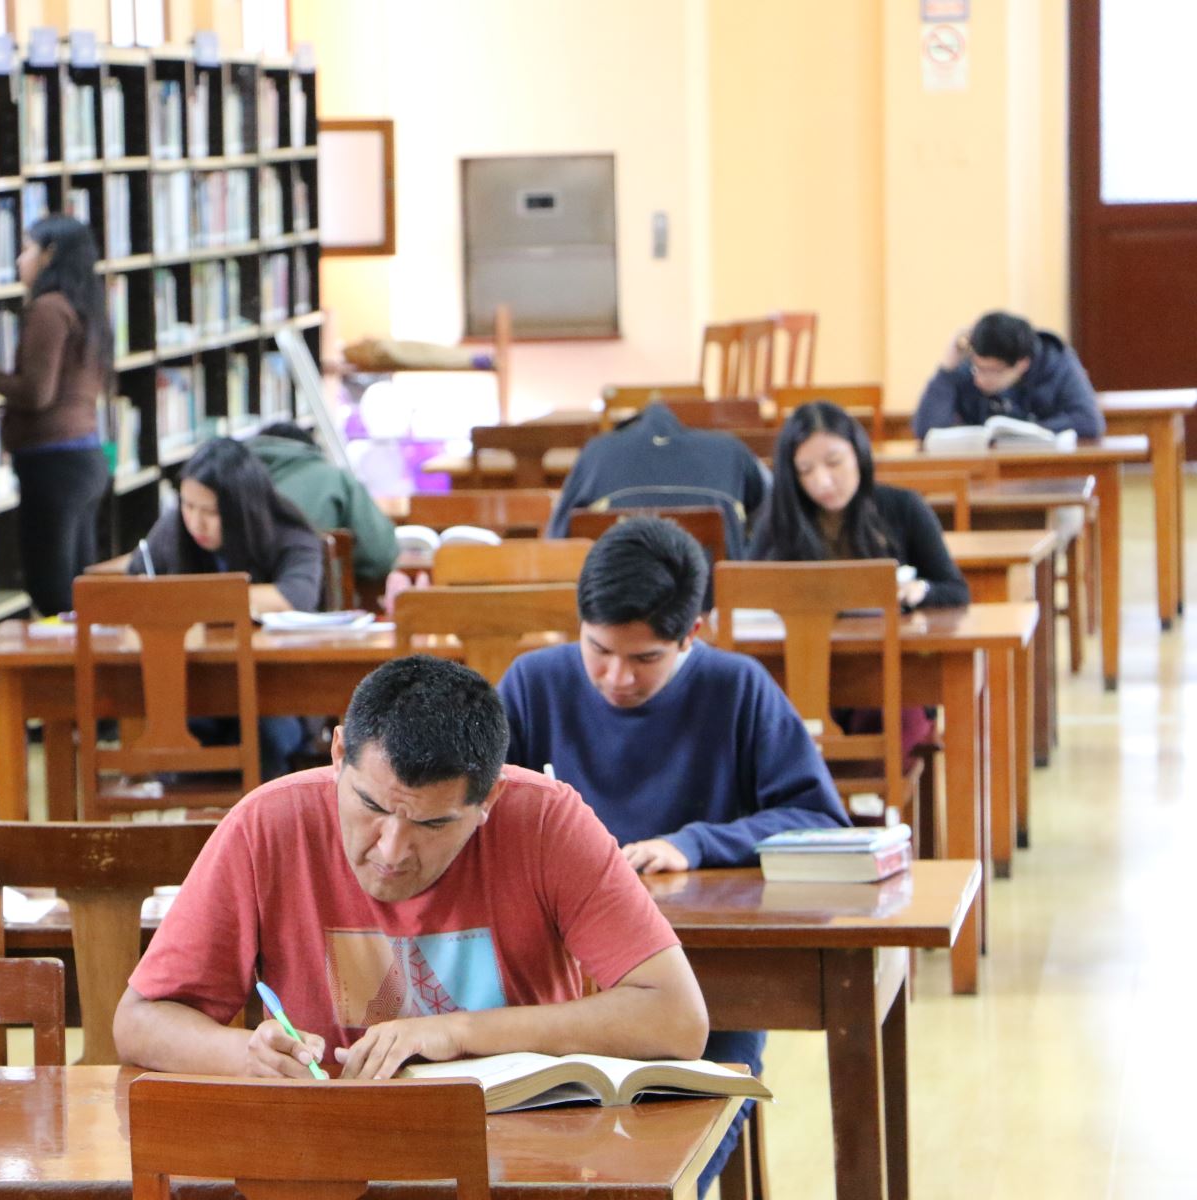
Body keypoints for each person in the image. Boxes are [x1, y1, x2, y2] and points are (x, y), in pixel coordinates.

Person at [114, 654, 710, 1083]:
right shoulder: (268, 825)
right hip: (331, 1155)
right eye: (372, 807)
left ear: (489, 799)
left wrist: (457, 1033)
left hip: (522, 1150)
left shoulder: (547, 823)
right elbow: (140, 1021)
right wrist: (245, 1055)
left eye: (433, 824)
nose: (392, 850)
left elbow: (678, 1018)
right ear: (339, 754)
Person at [498, 518, 848, 1195]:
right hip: (556, 982)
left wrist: (695, 843)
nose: (616, 677)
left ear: (692, 633)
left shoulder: (737, 688)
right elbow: (475, 813)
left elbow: (817, 819)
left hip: (705, 980)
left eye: (645, 658)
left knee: (669, 1154)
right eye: (599, 649)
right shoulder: (534, 683)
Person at [128, 436, 325, 776]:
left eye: (210, 512)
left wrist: (183, 600)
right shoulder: (175, 527)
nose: (196, 522)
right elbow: (133, 587)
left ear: (241, 510)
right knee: (173, 741)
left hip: (276, 693)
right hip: (195, 686)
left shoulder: (288, 533)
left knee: (264, 742)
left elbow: (293, 598)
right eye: (188, 506)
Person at [0, 215, 112, 617]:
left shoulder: (48, 309)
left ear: (50, 255)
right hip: (84, 458)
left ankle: (65, 658)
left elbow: (36, 393)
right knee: (78, 589)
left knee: (50, 590)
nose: (18, 259)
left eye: (27, 248)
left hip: (52, 466)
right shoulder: (86, 307)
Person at [751, 400, 970, 610]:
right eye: (805, 470)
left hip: (887, 634)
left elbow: (955, 590)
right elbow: (746, 590)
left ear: (858, 454)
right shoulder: (780, 516)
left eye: (834, 462)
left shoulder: (904, 506)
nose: (823, 482)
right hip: (806, 635)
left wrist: (922, 590)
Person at [546, 401, 768, 553]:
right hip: (713, 602)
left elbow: (556, 539)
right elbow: (772, 518)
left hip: (616, 603)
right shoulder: (730, 450)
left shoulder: (596, 453)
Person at [248, 421, 399, 592]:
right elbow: (379, 556)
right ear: (310, 447)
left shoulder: (232, 479)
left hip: (240, 599)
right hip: (321, 598)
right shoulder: (335, 478)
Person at [913, 310, 1104, 439]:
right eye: (977, 368)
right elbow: (927, 431)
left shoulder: (1055, 361)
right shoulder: (967, 366)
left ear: (1022, 364)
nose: (979, 379)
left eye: (992, 371)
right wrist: (947, 371)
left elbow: (1089, 422)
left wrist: (1023, 433)